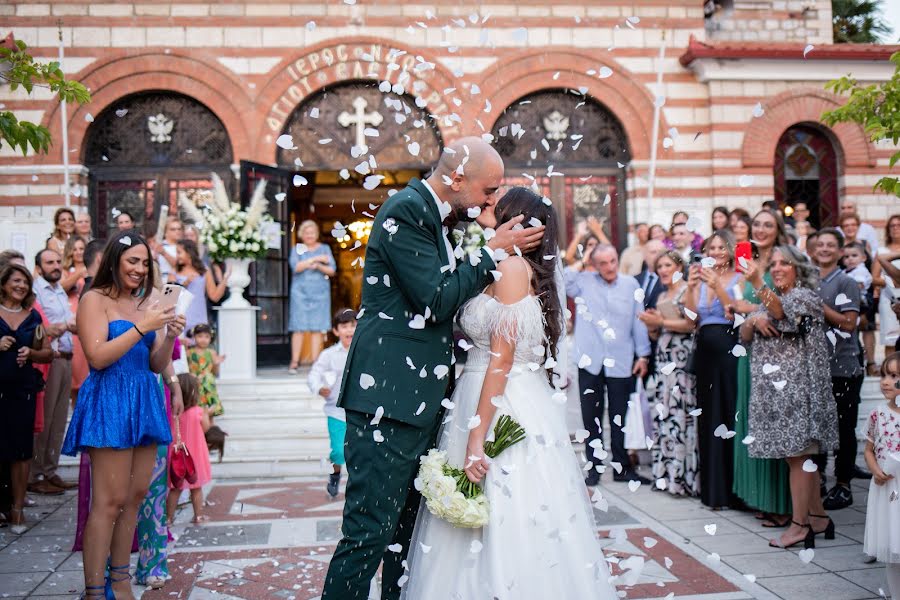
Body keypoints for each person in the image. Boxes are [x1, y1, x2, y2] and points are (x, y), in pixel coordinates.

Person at [321, 137, 543, 600]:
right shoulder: (407, 210)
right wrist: (492, 250)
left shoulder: (440, 218)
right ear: (457, 178)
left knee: (403, 539)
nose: (489, 201)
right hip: (388, 398)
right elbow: (436, 300)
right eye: (487, 190)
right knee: (368, 535)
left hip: (419, 401)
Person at [401, 187, 616, 600]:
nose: (488, 203)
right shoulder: (497, 260)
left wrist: (477, 439)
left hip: (504, 403)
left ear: (515, 219)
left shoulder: (514, 269)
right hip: (480, 391)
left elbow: (501, 359)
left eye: (496, 203)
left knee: (508, 507)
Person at [61, 230, 185, 599]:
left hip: (145, 398)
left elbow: (154, 364)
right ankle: (95, 590)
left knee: (137, 495)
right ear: (114, 261)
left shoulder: (146, 303)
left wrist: (165, 335)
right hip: (110, 399)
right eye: (133, 261)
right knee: (108, 500)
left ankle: (120, 581)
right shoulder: (93, 299)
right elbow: (98, 357)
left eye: (145, 263)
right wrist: (141, 327)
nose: (140, 269)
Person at [741, 245, 838, 549]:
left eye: (786, 263)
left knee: (800, 459)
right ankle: (819, 518)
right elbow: (744, 335)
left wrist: (757, 283)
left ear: (799, 269)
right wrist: (752, 320)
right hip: (779, 397)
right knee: (795, 458)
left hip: (801, 394)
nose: (779, 268)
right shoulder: (772, 299)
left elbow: (780, 313)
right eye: (775, 264)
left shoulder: (804, 297)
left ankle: (800, 527)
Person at [566, 244, 651, 486]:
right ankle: (594, 467)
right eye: (603, 263)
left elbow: (639, 321)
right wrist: (583, 258)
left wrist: (643, 355)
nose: (610, 267)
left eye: (613, 261)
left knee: (619, 417)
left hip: (621, 359)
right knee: (590, 418)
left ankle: (622, 467)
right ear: (595, 264)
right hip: (589, 359)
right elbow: (561, 279)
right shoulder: (584, 281)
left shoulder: (630, 285)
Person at [731, 209, 793, 524]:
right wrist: (749, 318)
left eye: (768, 225)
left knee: (774, 425)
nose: (761, 229)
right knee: (752, 425)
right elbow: (739, 311)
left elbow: (787, 306)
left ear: (778, 229)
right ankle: (759, 495)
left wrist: (753, 312)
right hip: (750, 351)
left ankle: (782, 503)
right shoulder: (748, 262)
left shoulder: (784, 260)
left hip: (779, 355)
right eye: (757, 224)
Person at [684, 230, 743, 509]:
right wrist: (692, 287)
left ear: (730, 251)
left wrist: (717, 285)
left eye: (721, 247)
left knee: (730, 416)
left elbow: (738, 314)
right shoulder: (700, 280)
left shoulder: (739, 278)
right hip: (705, 356)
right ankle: (713, 492)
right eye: (711, 247)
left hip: (730, 354)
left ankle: (734, 489)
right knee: (708, 419)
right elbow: (691, 318)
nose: (716, 252)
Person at [811, 229, 866, 510]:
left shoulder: (846, 282)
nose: (824, 249)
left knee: (844, 428)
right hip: (815, 368)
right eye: (820, 244)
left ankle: (843, 484)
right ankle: (818, 477)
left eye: (830, 245)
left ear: (840, 251)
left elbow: (848, 324)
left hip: (844, 367)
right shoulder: (807, 280)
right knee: (818, 428)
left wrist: (819, 307)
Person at [638, 251, 698, 496]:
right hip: (664, 360)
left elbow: (690, 323)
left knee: (681, 415)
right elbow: (657, 334)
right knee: (664, 416)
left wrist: (661, 322)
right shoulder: (662, 294)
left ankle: (683, 477)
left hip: (682, 360)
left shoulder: (687, 290)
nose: (663, 269)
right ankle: (666, 474)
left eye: (667, 265)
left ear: (679, 266)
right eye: (659, 266)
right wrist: (651, 324)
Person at [0, 264, 53, 533]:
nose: (21, 286)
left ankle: (17, 510)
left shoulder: (33, 318)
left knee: (21, 451)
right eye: (16, 280)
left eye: (25, 282)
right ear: (3, 283)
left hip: (23, 390)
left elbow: (48, 352)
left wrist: (31, 354)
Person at [29, 249, 78, 494]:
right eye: (50, 262)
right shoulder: (36, 291)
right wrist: (56, 328)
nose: (56, 266)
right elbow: (36, 329)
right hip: (49, 359)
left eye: (58, 261)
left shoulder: (60, 290)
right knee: (45, 419)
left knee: (59, 419)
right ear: (38, 267)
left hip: (67, 357)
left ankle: (50, 470)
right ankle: (36, 474)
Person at [308, 308, 357, 498]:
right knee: (338, 451)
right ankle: (334, 474)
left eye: (353, 325)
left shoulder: (364, 351)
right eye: (344, 326)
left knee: (357, 453)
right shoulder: (329, 355)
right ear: (336, 331)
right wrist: (319, 387)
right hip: (336, 412)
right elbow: (314, 375)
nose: (349, 330)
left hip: (359, 412)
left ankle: (356, 486)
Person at [863, 352, 900, 597]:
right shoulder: (878, 414)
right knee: (891, 545)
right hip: (887, 488)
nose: (885, 381)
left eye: (894, 376)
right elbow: (868, 449)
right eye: (884, 375)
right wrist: (876, 470)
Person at [288, 221, 337, 372]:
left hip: (320, 294)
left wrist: (319, 266)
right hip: (300, 294)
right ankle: (294, 362)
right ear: (302, 234)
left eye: (312, 232)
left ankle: (316, 363)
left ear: (316, 234)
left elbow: (332, 270)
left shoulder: (325, 248)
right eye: (306, 232)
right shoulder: (297, 249)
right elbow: (296, 267)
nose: (309, 235)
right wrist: (315, 259)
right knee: (298, 327)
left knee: (317, 328)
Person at [166, 373, 211, 524]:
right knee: (196, 488)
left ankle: (169, 518)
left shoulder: (172, 413)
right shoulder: (197, 411)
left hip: (177, 456)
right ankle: (198, 516)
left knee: (175, 488)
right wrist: (206, 414)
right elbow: (206, 427)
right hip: (195, 455)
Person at [60, 236, 89, 403]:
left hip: (86, 317)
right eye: (75, 249)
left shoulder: (93, 268)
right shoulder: (65, 270)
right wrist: (78, 272)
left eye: (81, 248)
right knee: (75, 366)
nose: (78, 252)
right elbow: (61, 287)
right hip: (71, 319)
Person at [174, 239, 211, 337]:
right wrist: (184, 284)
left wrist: (225, 279)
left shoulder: (204, 270)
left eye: (179, 252)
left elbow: (213, 296)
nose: (177, 256)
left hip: (199, 317)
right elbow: (171, 295)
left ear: (189, 253)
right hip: (181, 318)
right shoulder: (174, 272)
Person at [187, 323, 224, 420]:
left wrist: (216, 364)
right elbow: (185, 369)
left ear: (210, 338)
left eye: (207, 337)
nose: (203, 339)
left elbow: (215, 373)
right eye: (200, 336)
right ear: (194, 336)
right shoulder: (189, 352)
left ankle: (211, 434)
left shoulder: (211, 353)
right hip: (195, 384)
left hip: (208, 385)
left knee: (210, 413)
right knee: (197, 413)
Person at [875, 214, 900, 356]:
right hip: (889, 298)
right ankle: (891, 374)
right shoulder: (882, 251)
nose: (896, 228)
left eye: (899, 225)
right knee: (891, 338)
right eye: (892, 225)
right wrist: (892, 282)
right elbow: (874, 278)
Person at [152, 216, 183, 284]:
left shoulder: (184, 246)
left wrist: (164, 253)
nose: (177, 231)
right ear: (165, 232)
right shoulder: (158, 245)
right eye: (173, 229)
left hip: (179, 282)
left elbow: (180, 265)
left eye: (179, 229)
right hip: (160, 282)